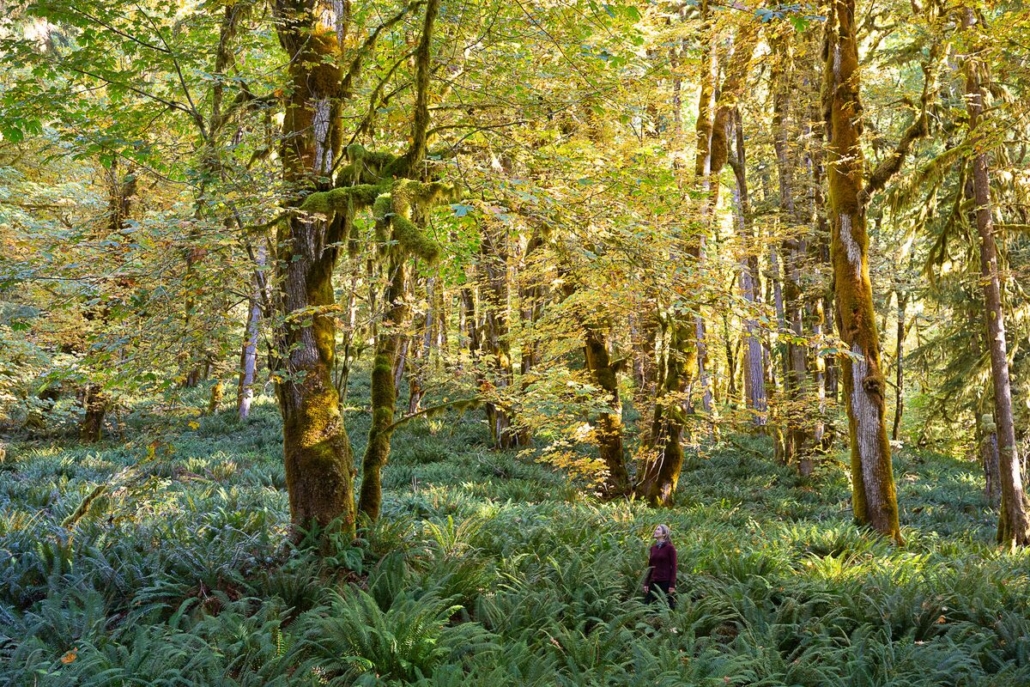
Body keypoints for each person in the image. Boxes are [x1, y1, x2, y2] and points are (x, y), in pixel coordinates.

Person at [643, 524, 676, 608]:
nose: (655, 531)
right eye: (655, 529)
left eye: (658, 529)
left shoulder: (670, 548)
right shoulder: (653, 548)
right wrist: (646, 583)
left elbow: (674, 567)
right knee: (648, 605)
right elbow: (650, 566)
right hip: (654, 581)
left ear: (664, 534)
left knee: (668, 606)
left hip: (665, 581)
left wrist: (672, 585)